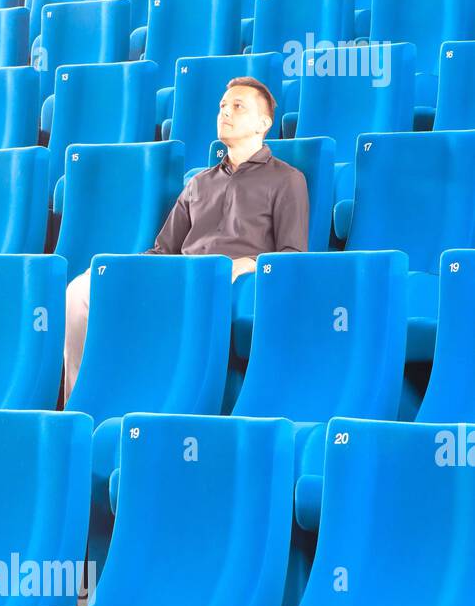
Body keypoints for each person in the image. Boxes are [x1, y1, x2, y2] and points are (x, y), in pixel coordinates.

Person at [63, 76, 310, 399]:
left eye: (238, 106)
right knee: (82, 288)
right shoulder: (198, 183)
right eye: (223, 106)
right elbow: (163, 250)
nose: (226, 112)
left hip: (228, 280)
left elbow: (292, 255)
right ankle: (80, 401)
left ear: (263, 123)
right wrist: (128, 272)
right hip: (180, 275)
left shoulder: (287, 179)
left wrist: (248, 264)